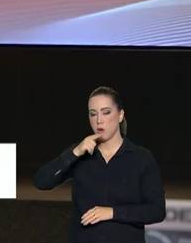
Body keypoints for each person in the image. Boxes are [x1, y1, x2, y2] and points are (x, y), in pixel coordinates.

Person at [33, 86, 165, 243]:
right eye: (93, 114)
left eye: (106, 112)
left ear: (120, 115)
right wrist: (74, 153)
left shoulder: (141, 158)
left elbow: (157, 211)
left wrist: (112, 212)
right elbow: (41, 182)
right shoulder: (80, 154)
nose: (99, 120)